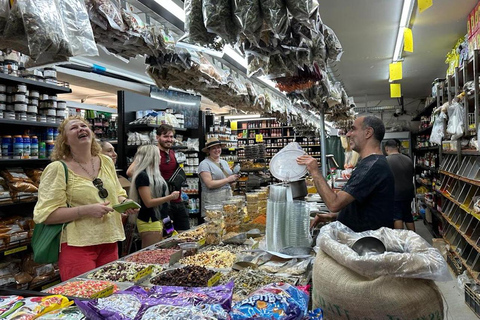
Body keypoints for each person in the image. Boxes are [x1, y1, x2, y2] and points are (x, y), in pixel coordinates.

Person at [33, 116, 137, 281]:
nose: (81, 129)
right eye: (74, 128)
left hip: (110, 240)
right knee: (83, 299)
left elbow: (117, 193)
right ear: (65, 140)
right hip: (77, 246)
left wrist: (124, 203)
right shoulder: (58, 169)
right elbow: (45, 215)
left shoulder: (106, 162)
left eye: (84, 126)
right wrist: (86, 210)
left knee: (111, 295)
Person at [297, 116, 395, 232]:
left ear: (368, 133)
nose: (348, 134)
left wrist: (315, 171)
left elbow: (334, 204)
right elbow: (368, 209)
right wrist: (335, 216)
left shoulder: (372, 166)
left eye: (353, 129)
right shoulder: (373, 163)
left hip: (366, 244)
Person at [127, 124, 190, 231]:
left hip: (177, 201)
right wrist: (152, 181)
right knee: (168, 234)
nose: (169, 140)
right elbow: (130, 172)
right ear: (157, 137)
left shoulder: (172, 153)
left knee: (185, 232)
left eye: (171, 137)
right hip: (163, 205)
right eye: (165, 136)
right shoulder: (152, 153)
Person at [129, 145, 180, 248]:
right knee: (151, 254)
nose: (160, 157)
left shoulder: (155, 174)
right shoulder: (142, 176)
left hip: (164, 217)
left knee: (167, 248)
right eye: (158, 155)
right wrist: (170, 197)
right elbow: (148, 202)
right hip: (150, 220)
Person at [198, 137, 239, 217]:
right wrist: (227, 180)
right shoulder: (204, 164)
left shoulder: (224, 162)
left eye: (218, 147)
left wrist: (232, 181)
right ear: (208, 150)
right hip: (213, 201)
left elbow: (227, 179)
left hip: (227, 198)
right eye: (214, 148)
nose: (217, 150)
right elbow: (209, 184)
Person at [384, 139, 416, 231]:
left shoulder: (386, 161)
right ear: (397, 147)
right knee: (408, 215)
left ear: (386, 149)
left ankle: (400, 240)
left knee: (397, 217)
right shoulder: (408, 159)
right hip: (408, 193)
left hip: (395, 194)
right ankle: (414, 239)